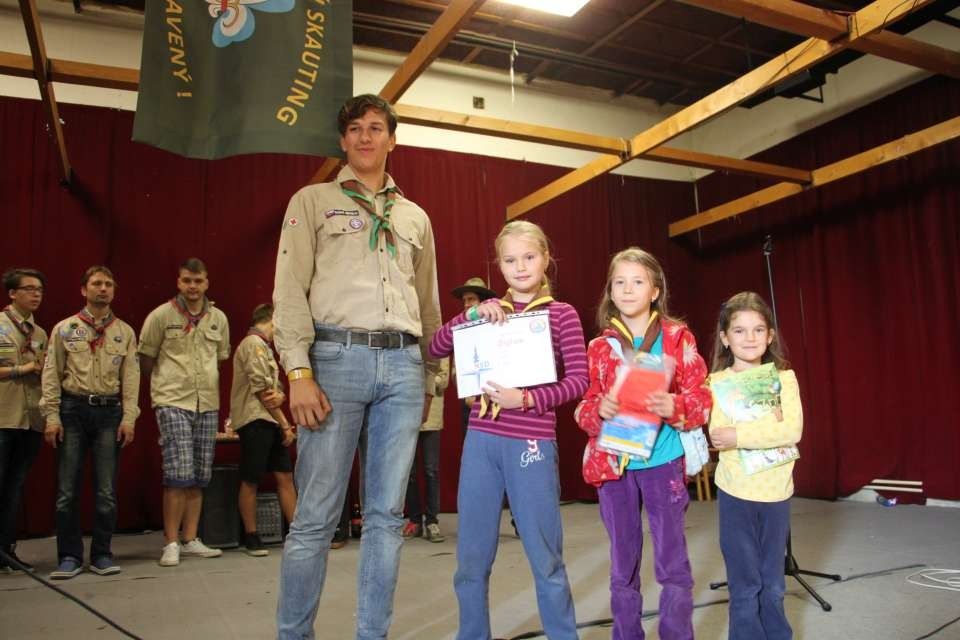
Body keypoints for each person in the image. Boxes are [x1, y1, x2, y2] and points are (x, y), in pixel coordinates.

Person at [272, 93, 441, 640]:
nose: (365, 137)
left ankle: (373, 634)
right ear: (343, 140)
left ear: (393, 139)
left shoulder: (415, 217)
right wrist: (298, 372)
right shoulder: (311, 201)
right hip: (334, 361)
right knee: (315, 516)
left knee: (387, 517)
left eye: (375, 127)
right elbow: (288, 292)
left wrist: (430, 375)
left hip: (403, 366)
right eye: (355, 129)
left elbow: (429, 304)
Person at [429, 220, 588, 640]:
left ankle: (563, 635)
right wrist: (472, 314)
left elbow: (579, 381)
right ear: (498, 265)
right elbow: (436, 346)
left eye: (529, 257)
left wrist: (529, 399)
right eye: (510, 259)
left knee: (545, 557)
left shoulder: (562, 314)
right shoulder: (486, 313)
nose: (520, 267)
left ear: (546, 258)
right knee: (471, 558)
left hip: (530, 441)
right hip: (482, 441)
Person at [575, 247, 711, 640]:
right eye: (619, 282)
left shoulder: (677, 338)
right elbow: (584, 407)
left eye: (637, 281)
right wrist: (599, 409)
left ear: (655, 291)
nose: (628, 289)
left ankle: (677, 634)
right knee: (622, 564)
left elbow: (702, 398)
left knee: (672, 561)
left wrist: (675, 405)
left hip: (663, 462)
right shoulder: (600, 347)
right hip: (615, 467)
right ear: (610, 291)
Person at [708, 291, 803, 640]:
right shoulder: (717, 383)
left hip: (776, 493)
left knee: (772, 582)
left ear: (770, 335)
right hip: (735, 491)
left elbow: (791, 431)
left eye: (758, 329)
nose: (749, 338)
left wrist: (741, 433)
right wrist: (766, 426)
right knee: (744, 582)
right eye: (739, 330)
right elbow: (719, 435)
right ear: (725, 338)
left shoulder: (785, 379)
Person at [41, 266, 140, 579]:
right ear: (84, 289)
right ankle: (69, 556)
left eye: (108, 284)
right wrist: (52, 416)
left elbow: (131, 378)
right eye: (97, 283)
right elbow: (51, 373)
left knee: (106, 491)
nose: (103, 288)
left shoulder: (124, 332)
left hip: (109, 412)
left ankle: (101, 554)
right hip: (72, 409)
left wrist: (129, 417)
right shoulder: (65, 328)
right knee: (67, 490)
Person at [139, 258, 230, 567]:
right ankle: (171, 542)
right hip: (173, 400)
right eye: (187, 281)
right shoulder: (161, 316)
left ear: (207, 283)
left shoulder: (218, 318)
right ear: (179, 282)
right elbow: (146, 359)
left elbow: (219, 358)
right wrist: (165, 386)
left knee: (199, 475)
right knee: (178, 473)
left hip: (207, 402)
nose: (193, 286)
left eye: (198, 281)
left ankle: (190, 539)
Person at [229, 304, 296, 557]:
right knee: (251, 478)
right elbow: (263, 392)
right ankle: (252, 536)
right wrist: (285, 424)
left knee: (285, 476)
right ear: (273, 319)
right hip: (255, 419)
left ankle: (297, 532)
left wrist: (281, 398)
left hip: (270, 420)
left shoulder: (265, 347)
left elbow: (275, 390)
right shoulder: (253, 344)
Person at [0, 268, 48, 573]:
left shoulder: (40, 334)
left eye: (39, 290)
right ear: (12, 293)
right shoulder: (1, 326)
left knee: (14, 487)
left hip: (30, 419)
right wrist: (24, 368)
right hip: (3, 416)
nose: (35, 294)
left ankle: (6, 551)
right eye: (29, 289)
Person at [401, 357, 450, 542]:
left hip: (432, 414)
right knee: (409, 471)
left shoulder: (437, 347)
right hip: (407, 412)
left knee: (431, 470)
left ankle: (431, 521)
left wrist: (422, 380)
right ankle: (414, 520)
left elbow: (443, 379)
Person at [450, 277, 496, 433]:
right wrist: (467, 394)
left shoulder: (497, 326)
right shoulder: (462, 330)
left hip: (497, 401)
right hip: (470, 403)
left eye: (471, 299)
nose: (466, 304)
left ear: (483, 301)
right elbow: (457, 369)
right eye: (464, 300)